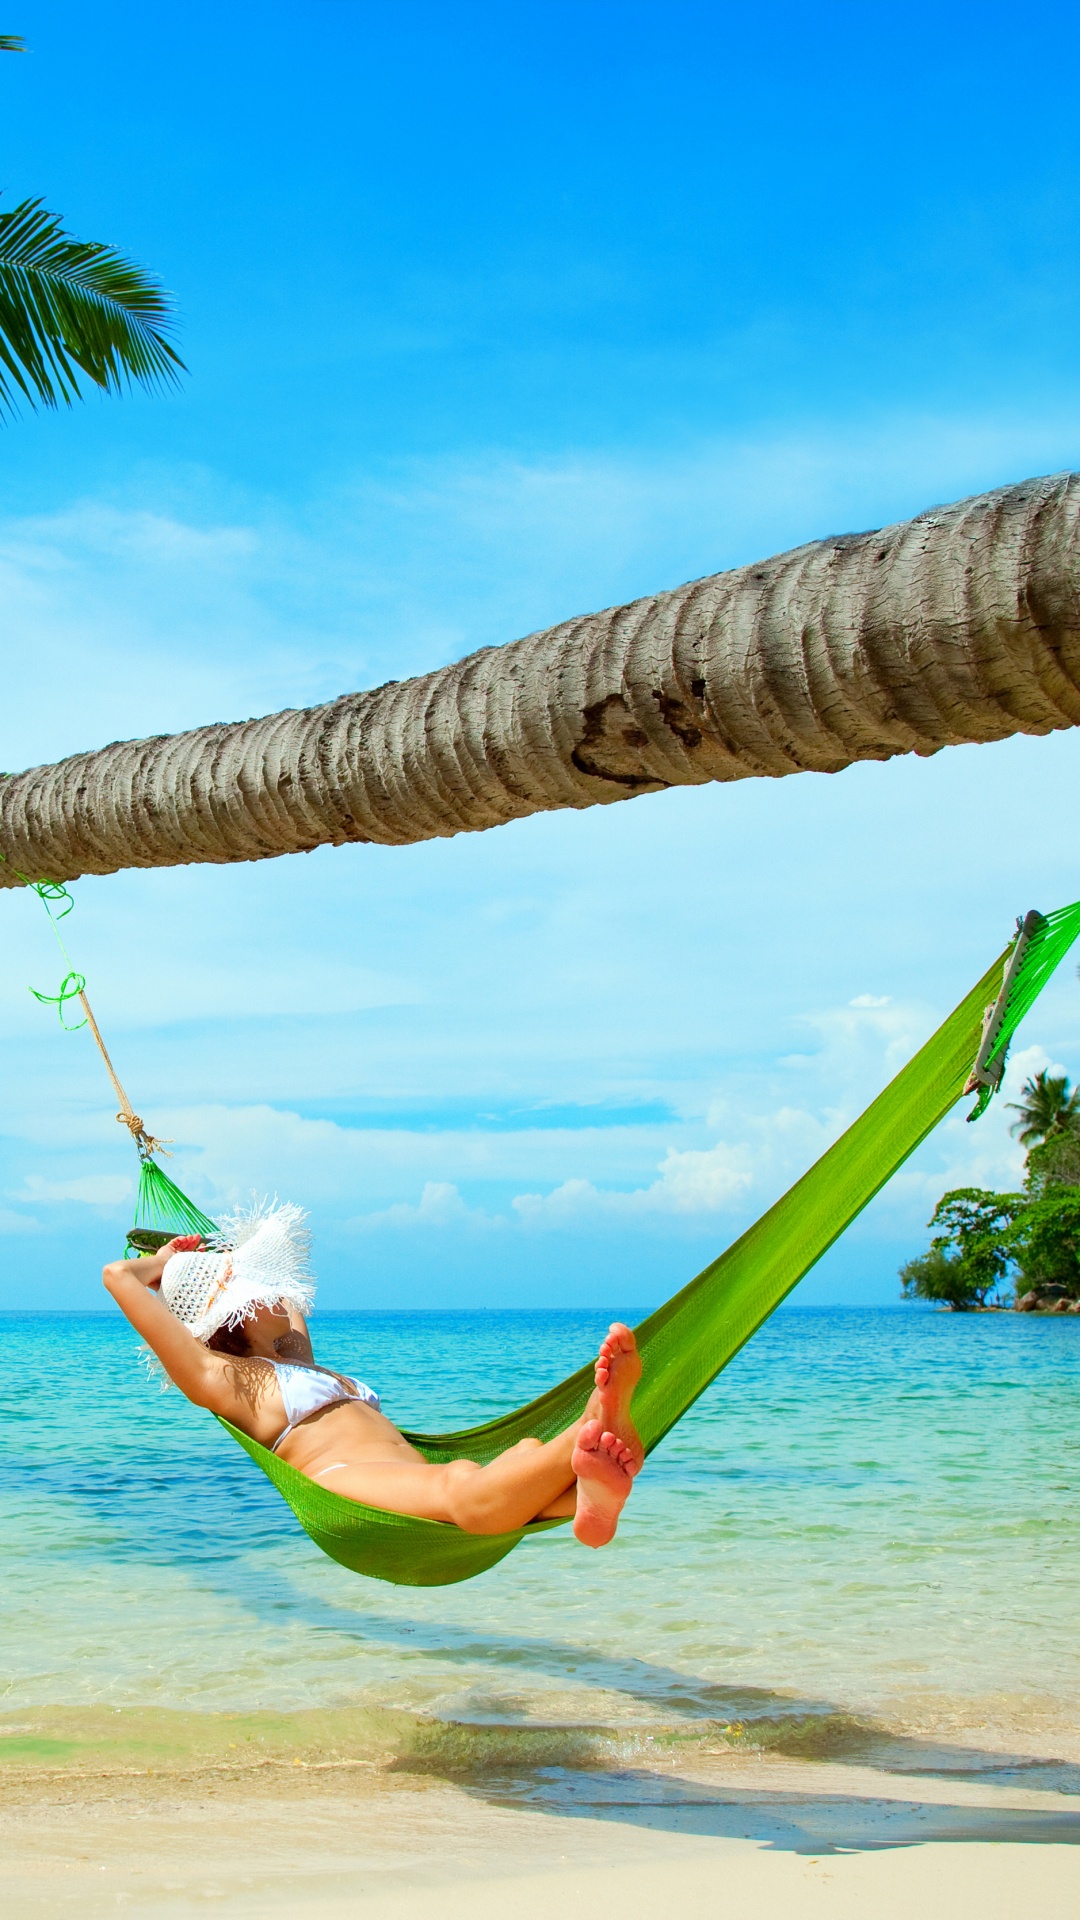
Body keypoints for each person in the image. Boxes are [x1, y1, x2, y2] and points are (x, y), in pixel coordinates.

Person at [103, 1200, 643, 1548]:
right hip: (340, 1482)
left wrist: (219, 1254)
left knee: (523, 1452)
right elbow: (116, 1276)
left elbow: (289, 1274)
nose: (270, 1290)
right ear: (231, 1314)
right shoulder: (227, 1382)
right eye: (252, 1285)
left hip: (402, 1470)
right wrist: (170, 1261)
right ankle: (591, 1427)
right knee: (462, 1489)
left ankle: (592, 1491)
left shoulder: (296, 1359)